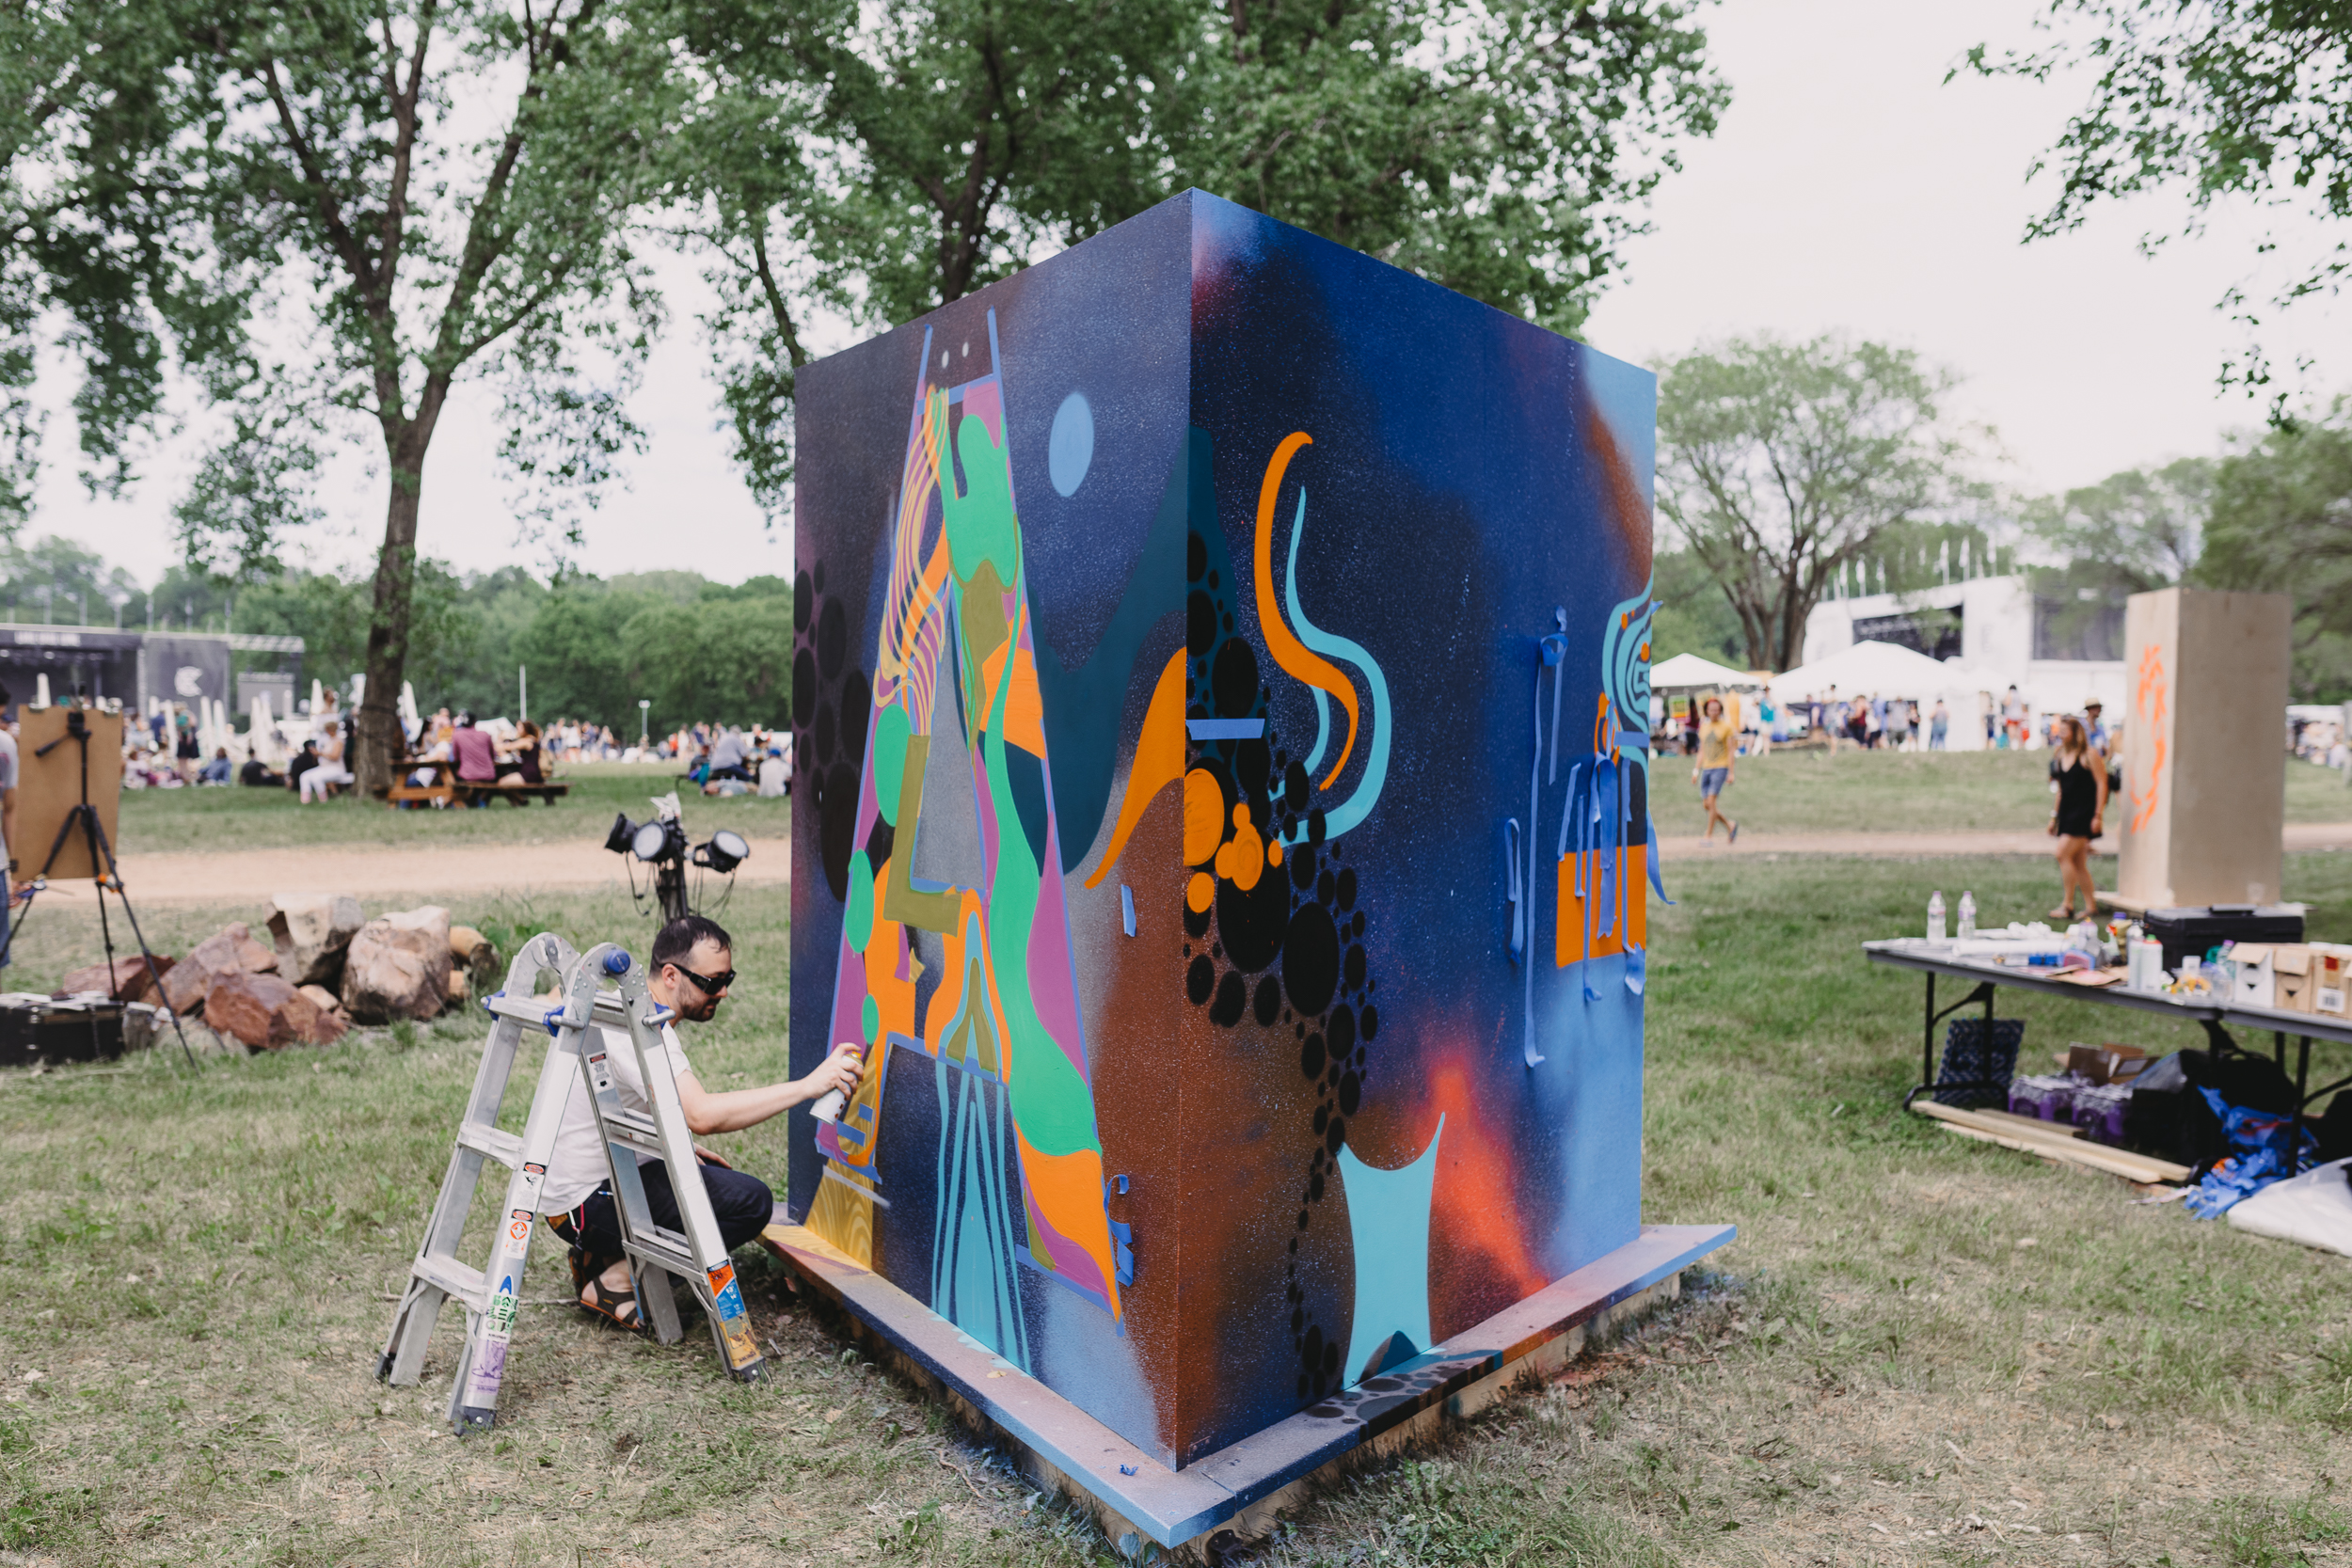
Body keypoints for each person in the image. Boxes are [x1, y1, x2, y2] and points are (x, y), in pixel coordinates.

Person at [543, 915, 865, 1332]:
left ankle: (602, 1257)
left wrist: (667, 1142)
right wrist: (808, 1086)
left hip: (573, 1196)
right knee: (751, 1203)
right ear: (671, 976)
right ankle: (617, 1280)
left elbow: (613, 1106)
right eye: (712, 982)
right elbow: (702, 1115)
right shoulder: (643, 1027)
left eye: (728, 978)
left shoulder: (619, 1009)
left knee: (707, 1172)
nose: (724, 991)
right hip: (587, 1203)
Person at [2046, 714, 2106, 921]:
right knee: (2078, 862)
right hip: (2066, 813)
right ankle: (2091, 906)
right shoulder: (2060, 754)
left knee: (2062, 854)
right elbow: (2061, 790)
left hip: (2083, 813)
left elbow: (2102, 784)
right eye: (2060, 730)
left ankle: (2068, 905)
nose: (2061, 734)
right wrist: (2054, 817)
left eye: (2065, 731)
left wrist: (2098, 815)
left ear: (2075, 732)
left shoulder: (2089, 755)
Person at [1692, 695, 1740, 845]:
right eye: (1711, 710)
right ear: (1706, 711)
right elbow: (1701, 751)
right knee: (1707, 804)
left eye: (1716, 710)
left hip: (1721, 767)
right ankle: (1730, 825)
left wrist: (1731, 772)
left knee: (1712, 801)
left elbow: (1731, 750)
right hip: (1707, 768)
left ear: (1720, 711)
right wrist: (1696, 770)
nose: (1714, 712)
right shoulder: (1704, 727)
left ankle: (1708, 835)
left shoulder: (1727, 727)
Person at [300, 717, 354, 802]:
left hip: (336, 768)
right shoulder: (328, 741)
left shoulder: (338, 741)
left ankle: (323, 799)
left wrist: (320, 753)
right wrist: (317, 755)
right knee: (304, 776)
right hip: (325, 767)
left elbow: (335, 756)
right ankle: (305, 800)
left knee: (317, 778)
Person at [449, 711, 498, 792]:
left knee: (454, 777)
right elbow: (493, 755)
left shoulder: (457, 735)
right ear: (475, 722)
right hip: (488, 775)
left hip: (467, 775)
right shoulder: (485, 734)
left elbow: (455, 757)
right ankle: (481, 798)